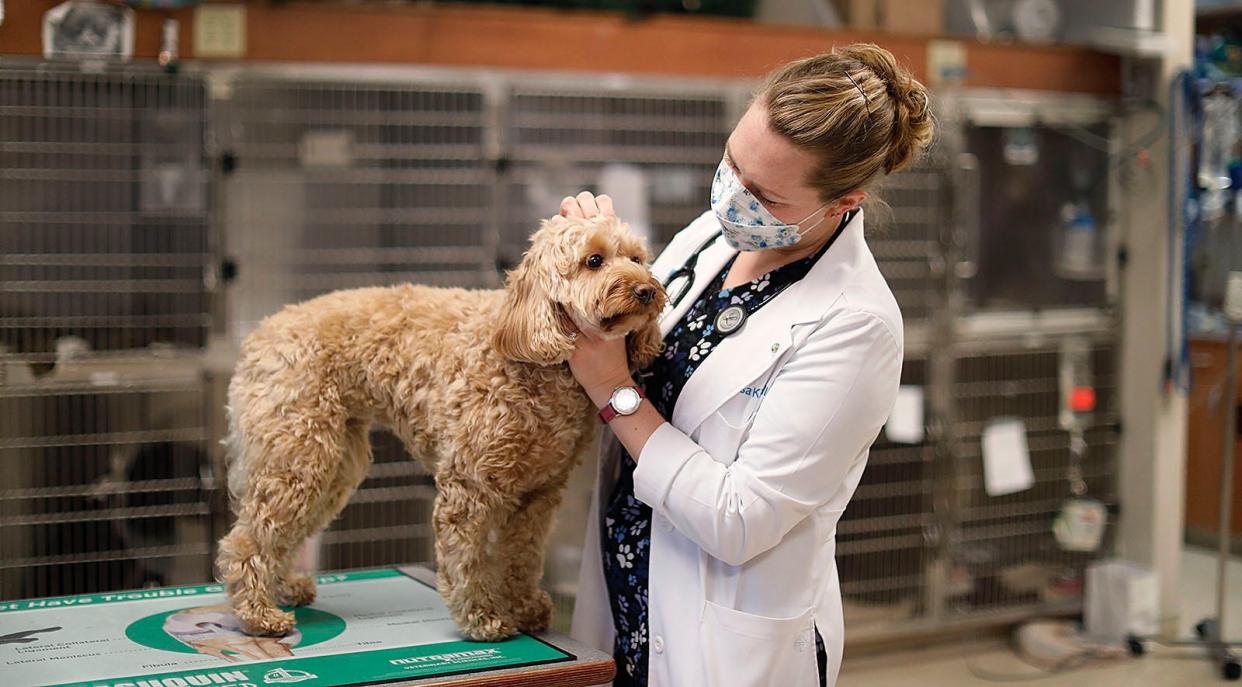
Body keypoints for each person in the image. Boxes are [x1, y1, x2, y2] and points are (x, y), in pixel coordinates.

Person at [562, 43, 934, 687]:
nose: (734, 197)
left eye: (765, 194)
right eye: (733, 163)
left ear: (844, 201)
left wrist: (612, 388)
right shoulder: (713, 235)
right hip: (626, 597)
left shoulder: (857, 324)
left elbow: (741, 520)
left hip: (724, 645)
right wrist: (592, 264)